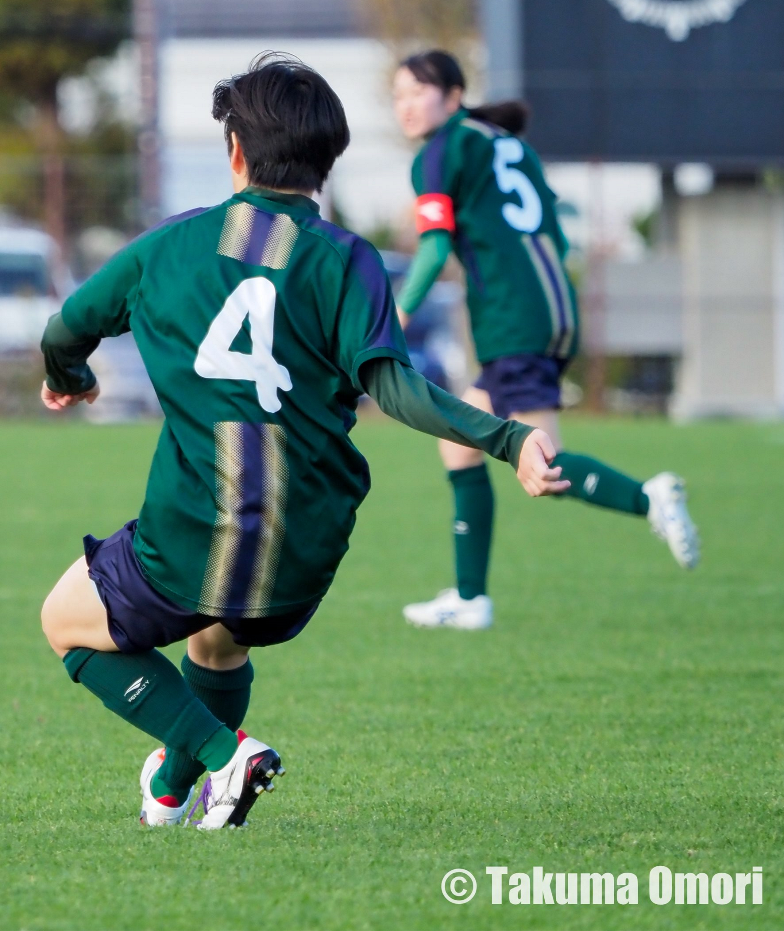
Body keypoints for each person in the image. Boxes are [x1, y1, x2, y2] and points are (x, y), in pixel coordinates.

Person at [37, 53, 569, 830]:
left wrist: (70, 375)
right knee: (218, 641)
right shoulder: (349, 260)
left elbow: (63, 329)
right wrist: (508, 436)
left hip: (193, 531)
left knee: (64, 619)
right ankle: (176, 788)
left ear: (235, 153)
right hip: (304, 545)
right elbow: (396, 388)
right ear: (327, 163)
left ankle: (224, 755)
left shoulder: (168, 248)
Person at [390, 49, 699, 632]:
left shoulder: (440, 151)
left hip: (513, 319)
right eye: (398, 94)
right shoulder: (509, 144)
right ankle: (470, 597)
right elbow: (555, 239)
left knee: (543, 463)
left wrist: (398, 312)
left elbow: (433, 247)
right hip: (553, 307)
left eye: (417, 92)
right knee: (459, 440)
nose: (405, 105)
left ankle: (648, 496)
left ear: (454, 96)